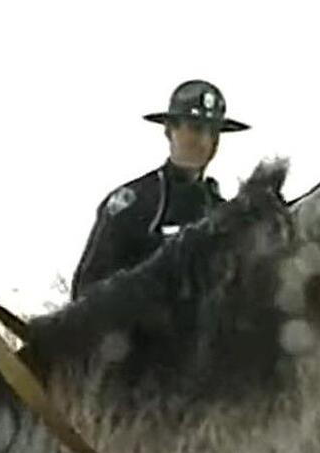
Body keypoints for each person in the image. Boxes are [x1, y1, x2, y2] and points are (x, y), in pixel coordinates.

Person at [70, 80, 250, 299]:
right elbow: (87, 292)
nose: (204, 141)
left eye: (212, 132)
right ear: (169, 130)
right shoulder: (135, 202)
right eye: (195, 128)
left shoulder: (222, 213)